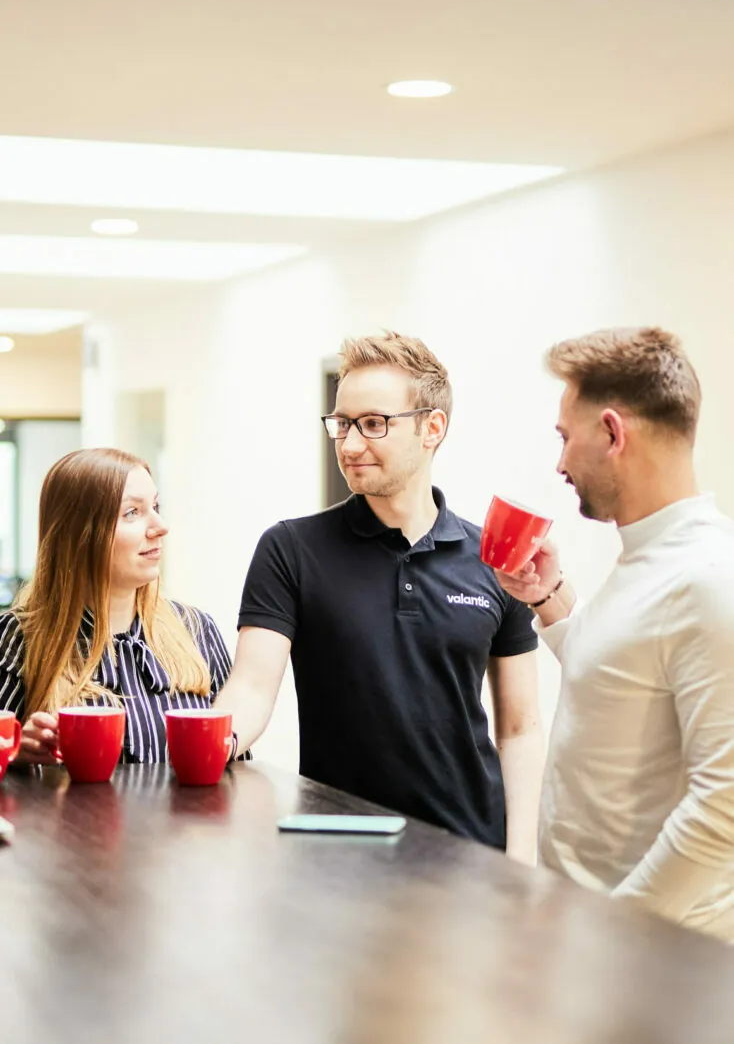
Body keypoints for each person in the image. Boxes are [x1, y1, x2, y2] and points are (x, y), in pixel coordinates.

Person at [217, 332, 544, 861]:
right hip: (336, 855)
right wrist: (208, 744)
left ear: (432, 428)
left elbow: (520, 727)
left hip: (470, 854)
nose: (348, 445)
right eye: (342, 424)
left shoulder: (493, 558)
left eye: (373, 424)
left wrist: (522, 855)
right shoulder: (292, 549)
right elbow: (251, 687)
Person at [496, 326, 734, 940]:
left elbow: (725, 804)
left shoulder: (708, 579)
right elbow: (620, 682)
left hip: (651, 962)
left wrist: (615, 933)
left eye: (564, 437)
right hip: (587, 941)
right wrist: (550, 601)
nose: (560, 462)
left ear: (611, 432)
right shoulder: (648, 557)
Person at [0, 448, 235, 765]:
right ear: (79, 535)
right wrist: (14, 755)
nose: (160, 526)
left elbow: (236, 763)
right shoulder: (19, 639)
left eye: (155, 506)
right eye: (132, 513)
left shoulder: (196, 630)